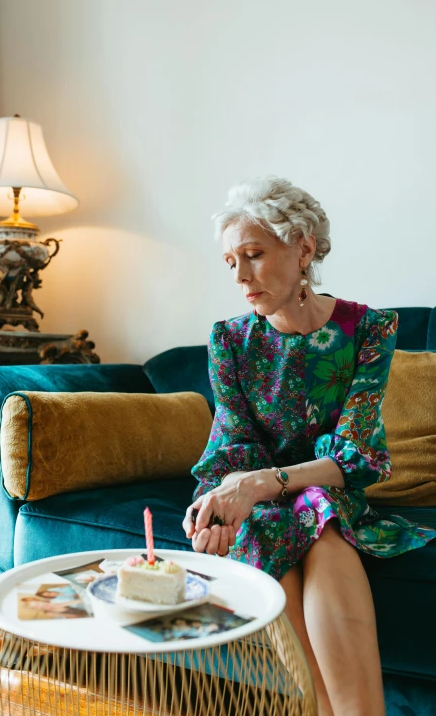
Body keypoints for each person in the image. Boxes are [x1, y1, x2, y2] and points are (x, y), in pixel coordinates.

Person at [182, 176, 436, 716]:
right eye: (231, 262)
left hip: (327, 492)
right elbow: (232, 446)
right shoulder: (229, 339)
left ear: (303, 246)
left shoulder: (368, 328)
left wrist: (260, 484)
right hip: (261, 504)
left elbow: (356, 455)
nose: (241, 276)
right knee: (272, 525)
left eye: (253, 254)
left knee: (317, 517)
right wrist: (224, 504)